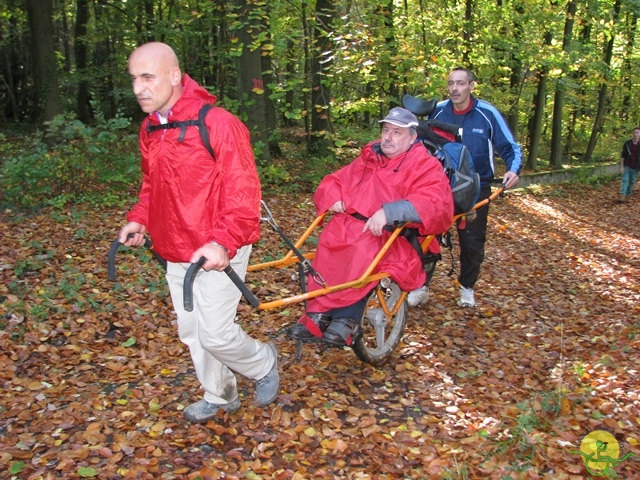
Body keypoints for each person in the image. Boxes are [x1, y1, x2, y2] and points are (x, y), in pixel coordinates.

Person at [118, 42, 279, 424]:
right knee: (192, 331)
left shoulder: (218, 123)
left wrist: (224, 241)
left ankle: (263, 362)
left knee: (217, 335)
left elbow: (243, 192)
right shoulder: (151, 128)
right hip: (176, 248)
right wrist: (140, 218)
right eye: (134, 79)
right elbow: (151, 184)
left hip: (219, 248)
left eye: (147, 77)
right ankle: (220, 394)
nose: (139, 87)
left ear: (174, 76)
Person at [287, 107, 454, 347]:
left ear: (412, 137)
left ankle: (347, 317)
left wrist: (391, 211)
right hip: (351, 225)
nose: (388, 137)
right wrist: (333, 196)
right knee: (329, 242)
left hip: (394, 235)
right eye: (386, 130)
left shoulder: (424, 164)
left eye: (397, 132)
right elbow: (335, 179)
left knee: (361, 249)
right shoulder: (369, 158)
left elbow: (437, 203)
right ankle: (318, 312)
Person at [429, 67, 522, 308]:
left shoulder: (486, 113)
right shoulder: (437, 111)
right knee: (424, 235)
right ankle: (419, 284)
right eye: (451, 83)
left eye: (460, 83)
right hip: (439, 187)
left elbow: (510, 147)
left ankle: (467, 287)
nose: (454, 89)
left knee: (471, 240)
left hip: (476, 188)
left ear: (472, 85)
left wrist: (513, 169)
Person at [619, 127, 640, 202]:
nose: (635, 134)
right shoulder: (627, 144)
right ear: (632, 134)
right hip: (627, 165)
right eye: (634, 133)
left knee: (632, 181)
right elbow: (623, 155)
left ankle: (628, 195)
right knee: (625, 180)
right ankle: (622, 195)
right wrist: (622, 166)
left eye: (637, 133)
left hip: (636, 167)